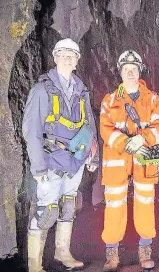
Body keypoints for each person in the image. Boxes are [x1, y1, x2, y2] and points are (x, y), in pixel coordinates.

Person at [23, 38, 98, 271]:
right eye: (63, 54)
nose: (67, 59)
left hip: (75, 160)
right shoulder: (41, 90)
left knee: (67, 205)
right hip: (51, 159)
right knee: (47, 210)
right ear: (55, 58)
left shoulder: (81, 91)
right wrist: (37, 167)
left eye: (72, 55)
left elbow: (90, 126)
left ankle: (62, 253)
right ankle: (35, 265)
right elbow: (31, 128)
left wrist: (93, 156)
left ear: (76, 61)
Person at [99, 50, 159, 270]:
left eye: (134, 69)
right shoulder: (109, 100)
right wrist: (124, 142)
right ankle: (112, 254)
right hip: (117, 160)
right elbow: (105, 129)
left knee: (145, 204)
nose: (130, 72)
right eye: (126, 69)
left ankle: (145, 251)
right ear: (120, 72)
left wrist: (142, 139)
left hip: (144, 160)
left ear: (139, 71)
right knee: (114, 205)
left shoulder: (153, 99)